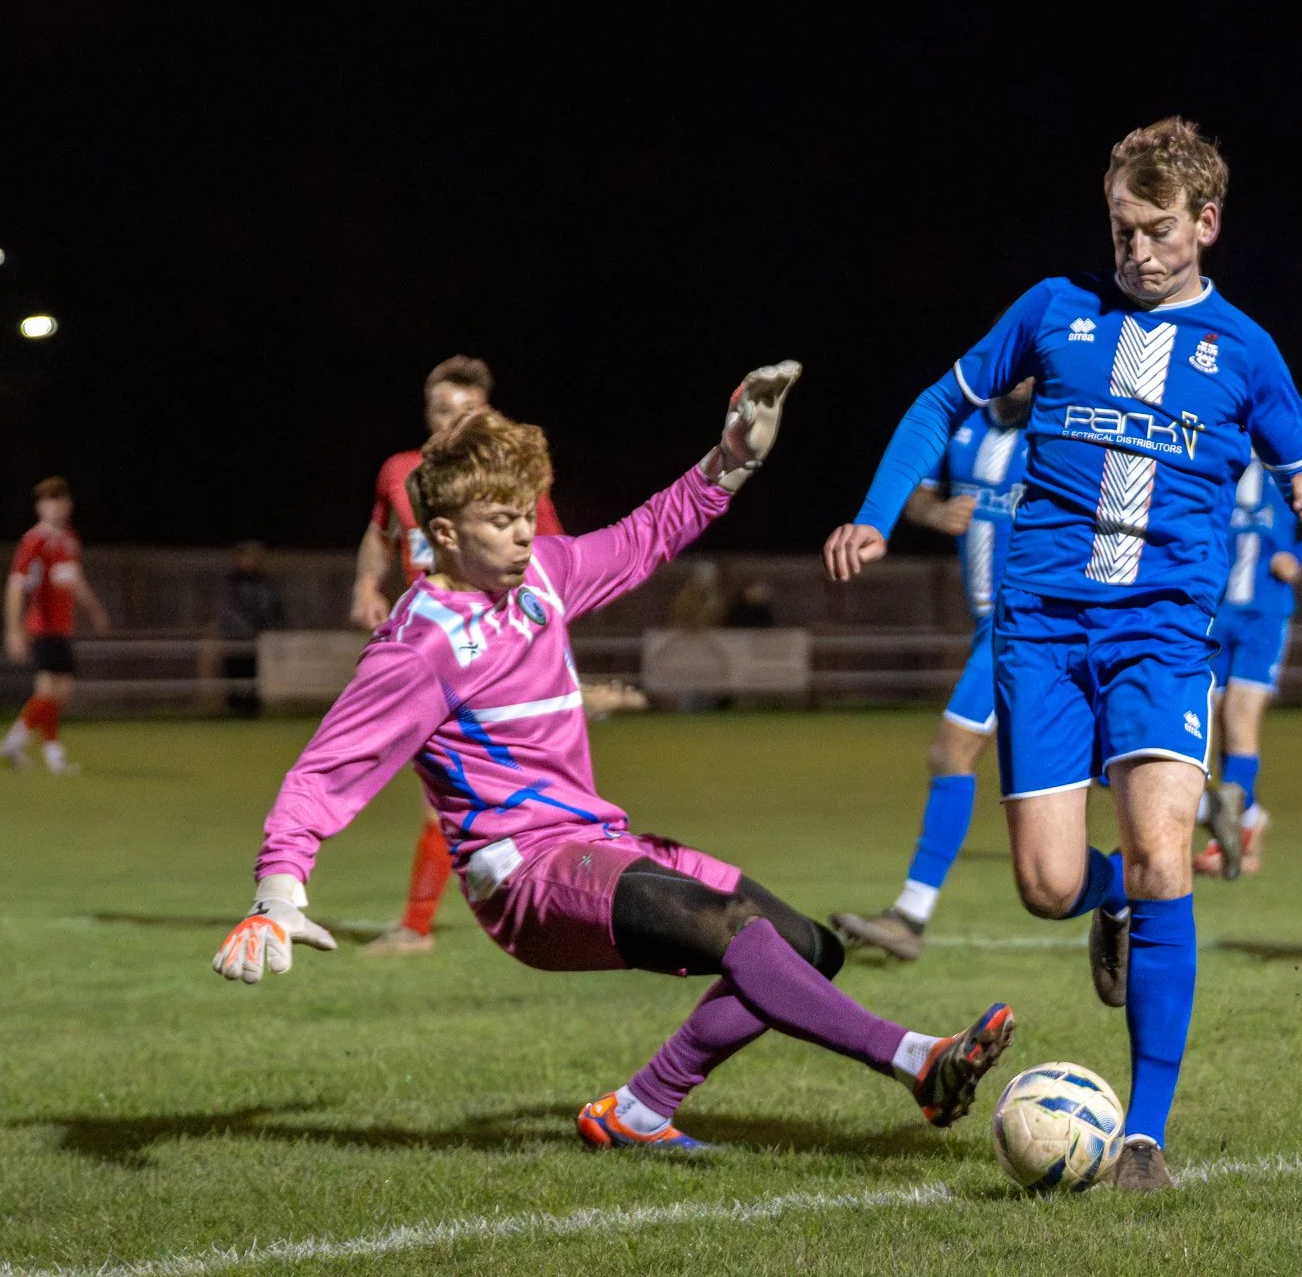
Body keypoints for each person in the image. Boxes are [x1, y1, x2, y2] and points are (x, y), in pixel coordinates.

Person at [212, 369, 1015, 1149]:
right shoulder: (420, 645)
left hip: (597, 841)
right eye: (501, 518)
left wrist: (732, 456)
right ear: (446, 534)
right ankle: (920, 1060)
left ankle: (638, 1107)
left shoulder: (542, 579)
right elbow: (325, 770)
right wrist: (278, 889)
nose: (526, 530)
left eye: (527, 510)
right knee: (734, 931)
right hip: (523, 874)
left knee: (810, 948)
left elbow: (647, 534)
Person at [825, 119, 1302, 1189]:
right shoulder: (1050, 311)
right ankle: (1107, 898)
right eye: (1121, 230)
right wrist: (878, 514)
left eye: (1157, 232)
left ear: (1205, 224)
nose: (1136, 253)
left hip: (1162, 634)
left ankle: (1144, 1136)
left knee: (1166, 856)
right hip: (1043, 633)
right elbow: (939, 401)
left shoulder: (1243, 351)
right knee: (1047, 884)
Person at [350, 357, 567, 955]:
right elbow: (380, 535)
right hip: (426, 647)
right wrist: (366, 584)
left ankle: (421, 927)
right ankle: (533, 903)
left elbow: (550, 557)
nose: (451, 422)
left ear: (485, 416)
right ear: (428, 412)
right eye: (443, 410)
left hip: (492, 648)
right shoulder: (402, 472)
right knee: (462, 793)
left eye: (465, 413)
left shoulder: (512, 478)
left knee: (464, 793)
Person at [833, 380, 1034, 960]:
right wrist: (937, 511)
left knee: (952, 753)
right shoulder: (964, 425)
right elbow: (919, 496)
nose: (1027, 382)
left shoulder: (1057, 430)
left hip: (1024, 622)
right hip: (990, 622)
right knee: (1076, 773)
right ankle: (1206, 811)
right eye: (1017, 369)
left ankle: (911, 916)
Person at [1192, 455, 1302, 879]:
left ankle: (1232, 834)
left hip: (1264, 615)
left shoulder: (1286, 472)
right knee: (1210, 718)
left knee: (1240, 713)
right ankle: (1246, 819)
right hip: (1216, 614)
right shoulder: (1217, 464)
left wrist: (1299, 554)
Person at [0, 477, 110, 773]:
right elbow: (16, 586)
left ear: (68, 505)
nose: (56, 507)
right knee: (48, 690)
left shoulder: (69, 540)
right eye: (49, 502)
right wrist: (13, 629)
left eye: (60, 500)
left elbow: (75, 581)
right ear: (40, 508)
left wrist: (95, 609)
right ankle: (52, 755)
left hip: (62, 628)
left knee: (61, 692)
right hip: (41, 626)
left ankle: (17, 742)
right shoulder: (34, 541)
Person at [218, 541, 288, 717]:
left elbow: (272, 608)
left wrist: (268, 627)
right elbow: (229, 609)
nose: (250, 561)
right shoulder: (232, 583)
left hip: (257, 637)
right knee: (234, 671)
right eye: (246, 557)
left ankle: (251, 709)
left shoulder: (264, 583)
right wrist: (240, 627)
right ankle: (233, 708)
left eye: (253, 558)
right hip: (236, 636)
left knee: (253, 673)